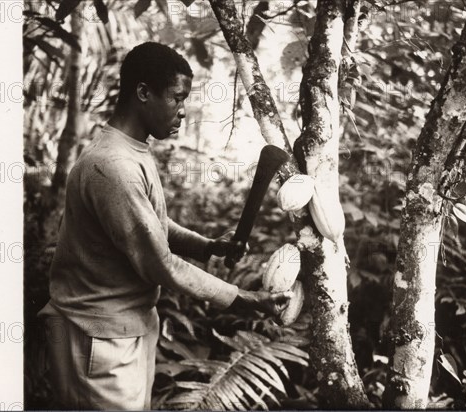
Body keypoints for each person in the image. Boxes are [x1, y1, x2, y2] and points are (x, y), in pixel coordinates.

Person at [38, 42, 292, 410]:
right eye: (177, 98)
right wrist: (243, 298)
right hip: (96, 338)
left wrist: (207, 246)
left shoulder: (131, 151)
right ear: (143, 92)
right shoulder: (112, 166)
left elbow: (152, 224)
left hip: (129, 329)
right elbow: (159, 262)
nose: (183, 111)